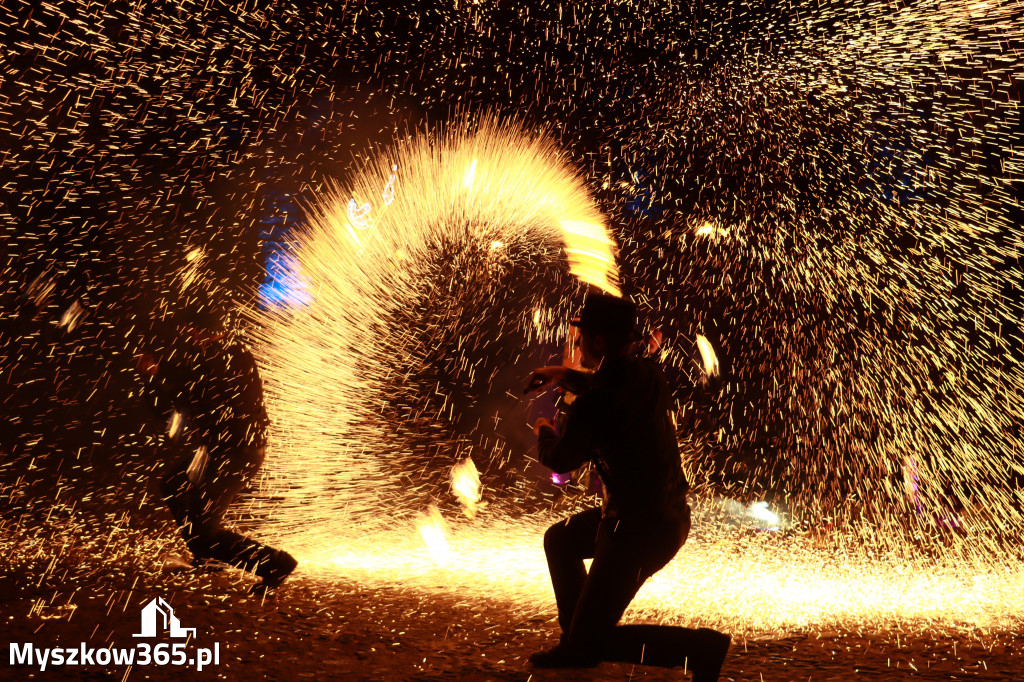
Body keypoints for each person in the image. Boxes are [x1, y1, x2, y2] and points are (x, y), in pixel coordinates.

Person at [524, 293, 729, 680]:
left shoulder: (595, 401)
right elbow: (606, 386)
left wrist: (544, 429)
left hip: (636, 532)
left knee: (594, 643)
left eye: (583, 336)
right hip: (660, 517)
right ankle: (577, 640)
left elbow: (561, 460)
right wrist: (558, 373)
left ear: (599, 342)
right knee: (561, 540)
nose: (578, 343)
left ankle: (700, 647)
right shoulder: (646, 374)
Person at [137, 305, 296, 594]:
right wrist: (153, 376)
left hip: (236, 454)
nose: (189, 337)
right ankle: (208, 557)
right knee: (173, 484)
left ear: (199, 331)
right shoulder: (215, 355)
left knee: (204, 533)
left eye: (191, 331)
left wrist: (159, 372)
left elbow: (195, 386)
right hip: (215, 452)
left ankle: (274, 563)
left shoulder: (228, 356)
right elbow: (174, 405)